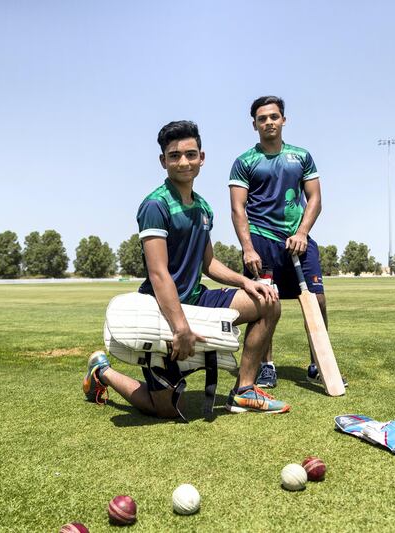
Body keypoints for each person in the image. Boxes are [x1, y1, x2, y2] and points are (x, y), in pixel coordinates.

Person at [84, 120, 290, 418]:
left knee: (268, 300)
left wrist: (246, 283)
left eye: (191, 154)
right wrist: (181, 327)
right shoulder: (156, 205)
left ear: (202, 158)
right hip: (162, 307)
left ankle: (244, 390)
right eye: (175, 155)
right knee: (165, 408)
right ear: (163, 161)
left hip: (196, 297)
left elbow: (209, 263)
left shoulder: (203, 207)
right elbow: (158, 274)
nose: (184, 162)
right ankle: (101, 371)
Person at [229, 95, 331, 388]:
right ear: (254, 125)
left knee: (318, 300)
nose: (269, 122)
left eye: (274, 116)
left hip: (297, 239)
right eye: (262, 118)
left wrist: (301, 232)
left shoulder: (301, 156)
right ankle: (266, 366)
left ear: (283, 120)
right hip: (262, 240)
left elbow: (315, 199)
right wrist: (248, 248)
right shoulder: (244, 161)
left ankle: (318, 362)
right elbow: (238, 209)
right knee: (264, 302)